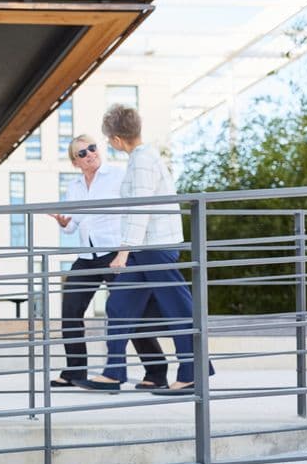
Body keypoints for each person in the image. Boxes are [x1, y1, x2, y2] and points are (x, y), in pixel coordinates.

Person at [75, 105, 213, 393]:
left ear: (115, 139)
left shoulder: (142, 161)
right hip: (147, 248)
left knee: (178, 309)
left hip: (155, 248)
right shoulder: (142, 157)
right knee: (119, 305)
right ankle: (113, 373)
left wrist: (123, 252)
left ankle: (192, 372)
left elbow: (140, 210)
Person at [50, 134, 168, 389]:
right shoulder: (74, 187)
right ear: (75, 162)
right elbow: (73, 225)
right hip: (87, 256)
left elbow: (133, 209)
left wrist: (126, 250)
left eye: (92, 148)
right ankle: (75, 371)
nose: (89, 154)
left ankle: (156, 373)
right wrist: (64, 223)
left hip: (116, 254)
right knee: (70, 310)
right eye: (82, 153)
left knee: (129, 313)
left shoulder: (117, 176)